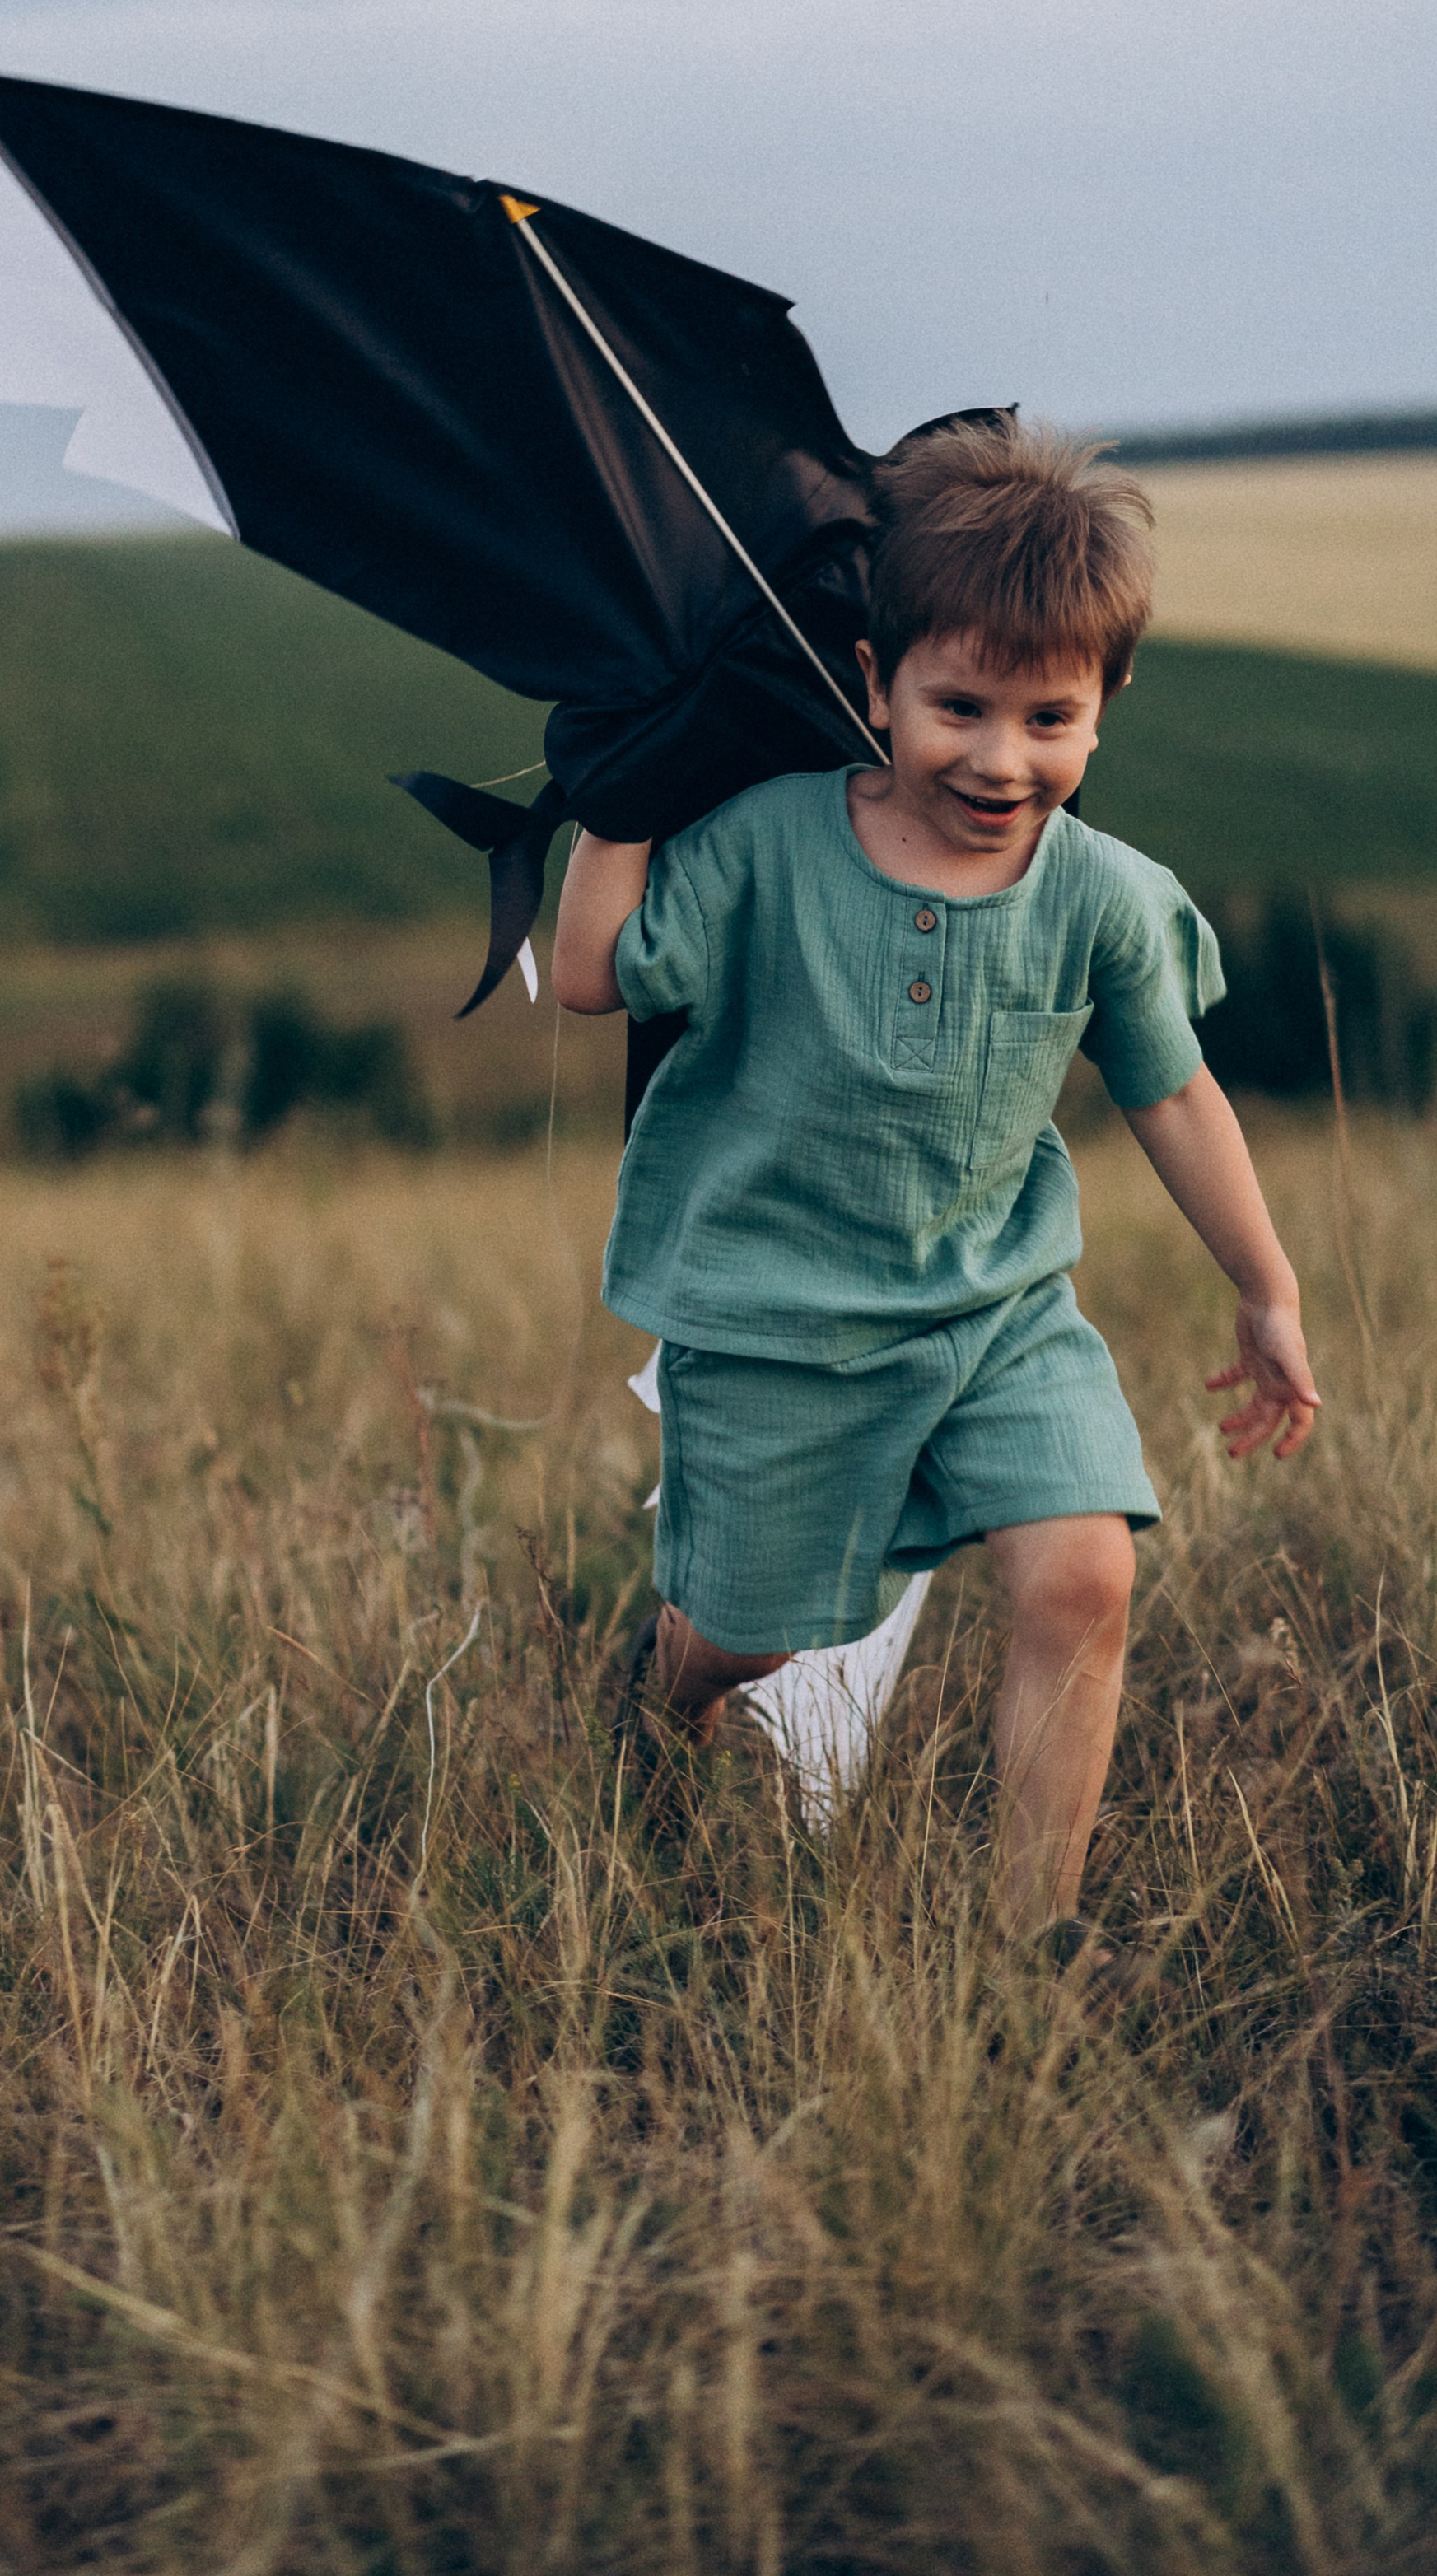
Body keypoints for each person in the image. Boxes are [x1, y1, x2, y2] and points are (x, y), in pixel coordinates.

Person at [551, 418, 1320, 1942]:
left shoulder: (1104, 898)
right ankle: (668, 1701)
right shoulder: (772, 845)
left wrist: (1268, 1285)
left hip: (995, 1308)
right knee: (746, 1643)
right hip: (774, 1321)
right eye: (958, 705)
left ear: (1103, 708)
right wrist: (620, 786)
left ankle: (1020, 1952)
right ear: (873, 683)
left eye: (1050, 716)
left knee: (1084, 1572)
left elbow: (1172, 1092)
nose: (1000, 755)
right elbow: (589, 973)